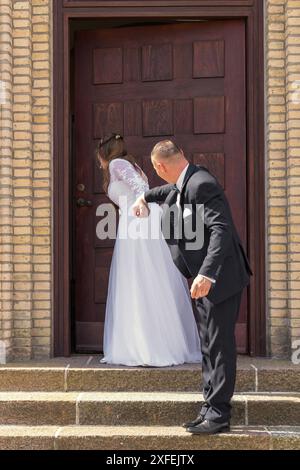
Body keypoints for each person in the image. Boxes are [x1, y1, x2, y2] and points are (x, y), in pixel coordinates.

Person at [133, 140, 253, 434]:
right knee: (209, 346)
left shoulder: (201, 184)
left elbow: (221, 229)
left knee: (220, 346)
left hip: (219, 280)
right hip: (204, 282)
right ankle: (209, 407)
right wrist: (144, 198)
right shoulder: (184, 181)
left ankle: (219, 415)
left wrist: (207, 274)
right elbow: (165, 192)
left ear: (160, 167)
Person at [96, 133, 202, 367]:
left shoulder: (117, 163)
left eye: (98, 157)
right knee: (147, 279)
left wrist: (139, 204)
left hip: (137, 223)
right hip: (135, 222)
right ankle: (150, 342)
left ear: (105, 153)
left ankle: (144, 347)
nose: (98, 162)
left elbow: (141, 188)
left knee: (138, 279)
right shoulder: (129, 164)